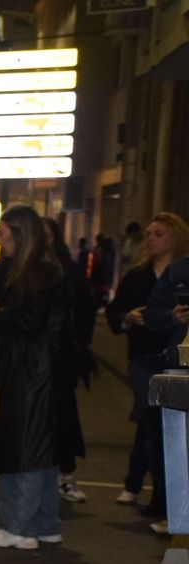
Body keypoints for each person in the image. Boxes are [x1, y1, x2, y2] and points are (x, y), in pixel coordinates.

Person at [0, 205, 67, 550]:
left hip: (30, 370)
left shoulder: (36, 274)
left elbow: (30, 321)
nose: (0, 240)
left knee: (23, 447)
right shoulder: (40, 270)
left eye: (4, 234)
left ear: (20, 234)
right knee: (40, 448)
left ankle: (18, 526)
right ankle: (44, 522)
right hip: (39, 368)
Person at [109, 214, 189, 530]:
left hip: (173, 358)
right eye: (149, 234)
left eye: (159, 233)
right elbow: (123, 313)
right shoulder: (139, 276)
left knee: (154, 425)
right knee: (151, 419)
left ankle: (143, 486)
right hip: (145, 357)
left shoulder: (179, 270)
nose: (151, 239)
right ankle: (157, 496)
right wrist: (129, 318)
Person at [43, 217, 93, 504]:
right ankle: (45, 475)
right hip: (37, 356)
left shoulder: (67, 269)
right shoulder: (30, 268)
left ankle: (65, 474)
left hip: (61, 356)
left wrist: (78, 342)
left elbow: (82, 308)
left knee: (62, 414)